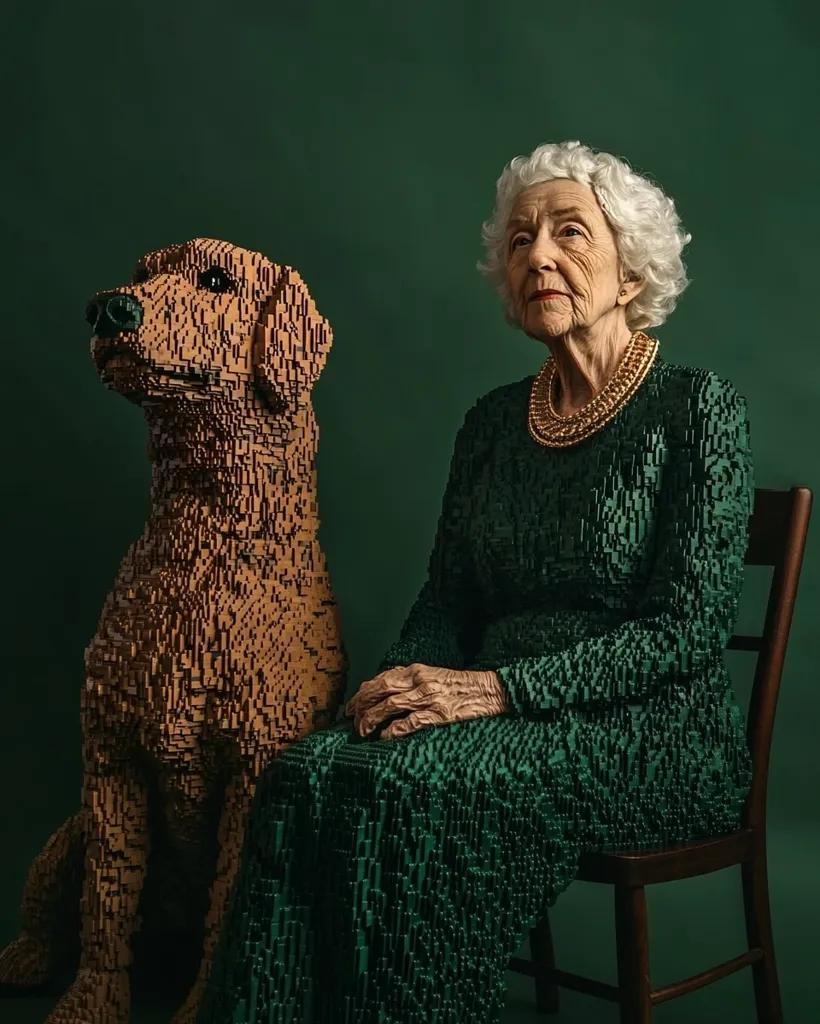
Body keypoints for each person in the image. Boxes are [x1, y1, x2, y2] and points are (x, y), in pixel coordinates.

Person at [197, 140, 754, 1024]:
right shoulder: (491, 423)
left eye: (571, 233)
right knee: (309, 772)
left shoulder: (698, 408)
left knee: (415, 792)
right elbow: (448, 601)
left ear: (632, 264)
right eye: (521, 239)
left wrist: (495, 691)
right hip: (487, 707)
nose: (538, 255)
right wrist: (403, 684)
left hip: (651, 730)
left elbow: (682, 632)